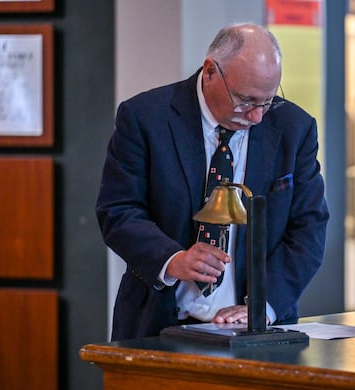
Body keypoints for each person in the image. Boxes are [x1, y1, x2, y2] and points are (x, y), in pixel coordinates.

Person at [96, 23, 329, 340]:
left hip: (258, 330)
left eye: (268, 101)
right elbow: (118, 210)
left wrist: (265, 306)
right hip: (159, 324)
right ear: (209, 72)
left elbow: (309, 227)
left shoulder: (294, 128)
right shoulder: (145, 118)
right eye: (246, 100)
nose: (257, 116)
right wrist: (173, 259)